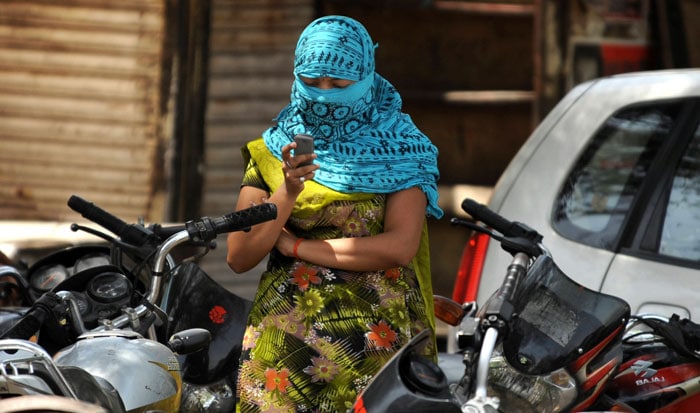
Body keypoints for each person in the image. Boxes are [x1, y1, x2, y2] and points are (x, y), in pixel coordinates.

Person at [226, 15, 443, 412]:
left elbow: (398, 246)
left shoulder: (401, 151)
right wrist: (288, 192)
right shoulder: (272, 152)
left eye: (339, 85)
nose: (324, 96)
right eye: (312, 82)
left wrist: (296, 248)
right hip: (283, 348)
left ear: (365, 78)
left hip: (373, 345)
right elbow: (239, 257)